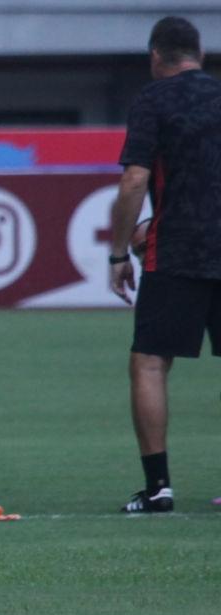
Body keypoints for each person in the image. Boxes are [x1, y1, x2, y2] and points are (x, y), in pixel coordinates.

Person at [109, 16, 221, 513]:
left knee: (151, 362)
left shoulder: (153, 100)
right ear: (199, 54)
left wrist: (117, 252)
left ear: (156, 56)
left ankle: (159, 488)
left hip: (176, 249)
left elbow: (135, 180)